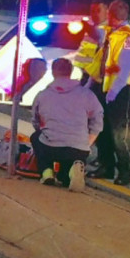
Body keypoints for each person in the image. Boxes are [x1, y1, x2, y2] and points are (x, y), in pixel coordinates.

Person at [88, 0, 130, 186]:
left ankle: (124, 172)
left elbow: (125, 69)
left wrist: (113, 91)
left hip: (122, 91)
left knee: (121, 134)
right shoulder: (112, 33)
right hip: (104, 87)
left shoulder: (128, 37)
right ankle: (106, 166)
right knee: (102, 130)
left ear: (113, 16)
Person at [31, 58, 104, 192]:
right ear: (71, 72)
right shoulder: (86, 94)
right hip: (79, 148)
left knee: (36, 137)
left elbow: (35, 121)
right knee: (65, 179)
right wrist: (88, 142)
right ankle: (73, 170)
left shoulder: (43, 95)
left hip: (51, 147)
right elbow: (98, 120)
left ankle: (46, 171)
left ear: (53, 72)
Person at [72, 2, 110, 87]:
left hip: (97, 79)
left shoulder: (107, 30)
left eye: (98, 11)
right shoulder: (93, 29)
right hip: (86, 76)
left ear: (107, 11)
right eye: (92, 11)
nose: (95, 14)